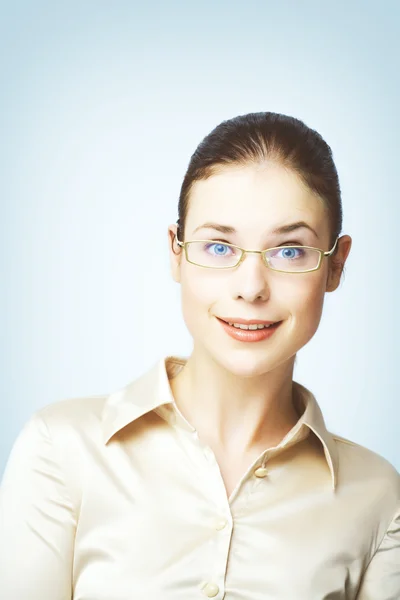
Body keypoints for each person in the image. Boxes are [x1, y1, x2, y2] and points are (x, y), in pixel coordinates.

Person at [1, 112, 399, 600]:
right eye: (218, 246)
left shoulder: (379, 497)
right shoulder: (60, 451)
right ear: (176, 251)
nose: (251, 289)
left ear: (335, 266)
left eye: (289, 252)